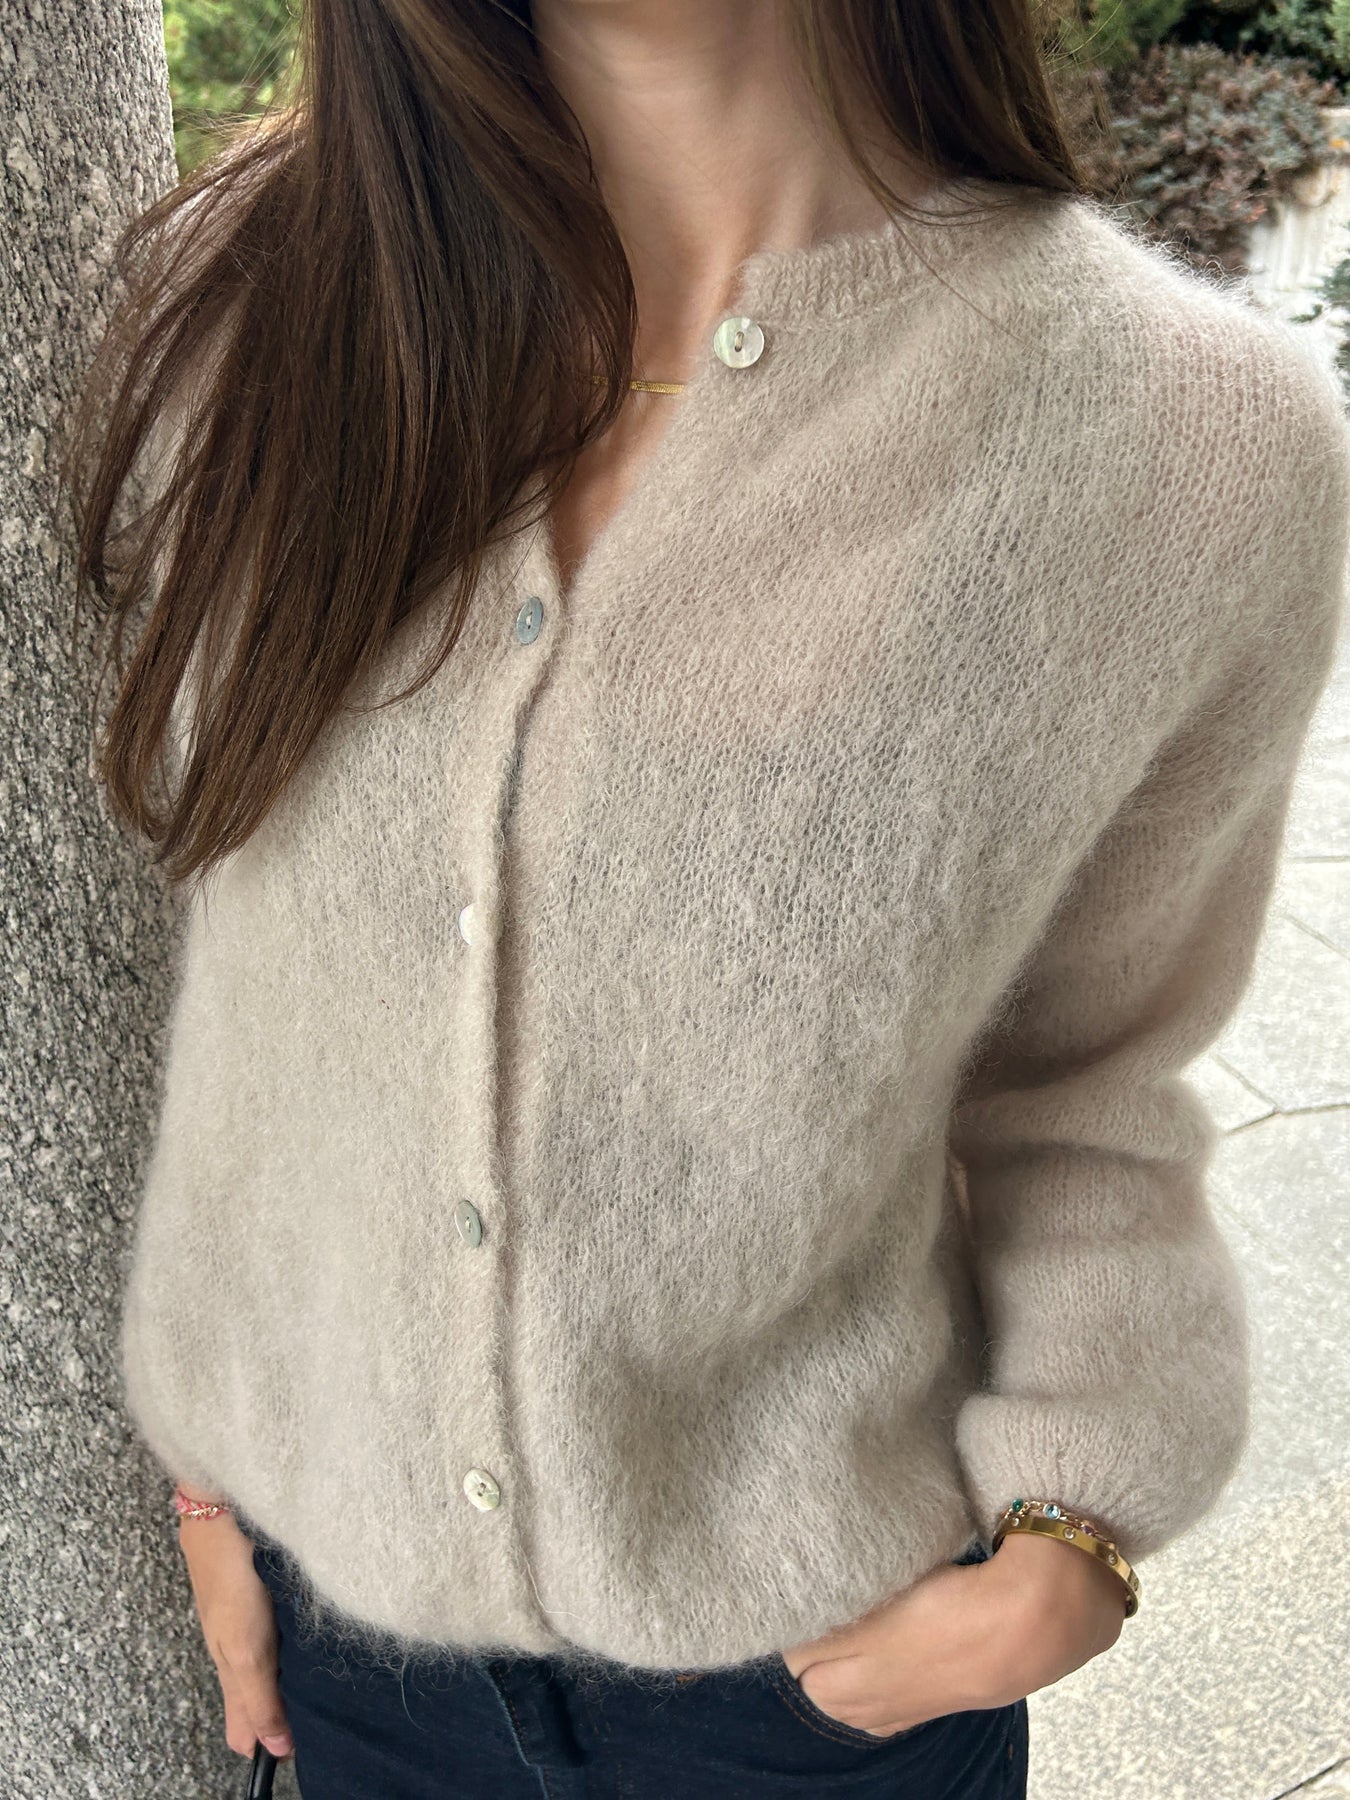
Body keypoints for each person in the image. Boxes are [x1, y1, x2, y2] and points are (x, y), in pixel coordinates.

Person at [66, 1, 1349, 1796]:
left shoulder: (1191, 443)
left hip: (813, 1689)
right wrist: (212, 1478)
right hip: (352, 1672)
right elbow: (258, 1019)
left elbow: (1086, 1076)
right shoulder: (251, 306)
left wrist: (1070, 1535)